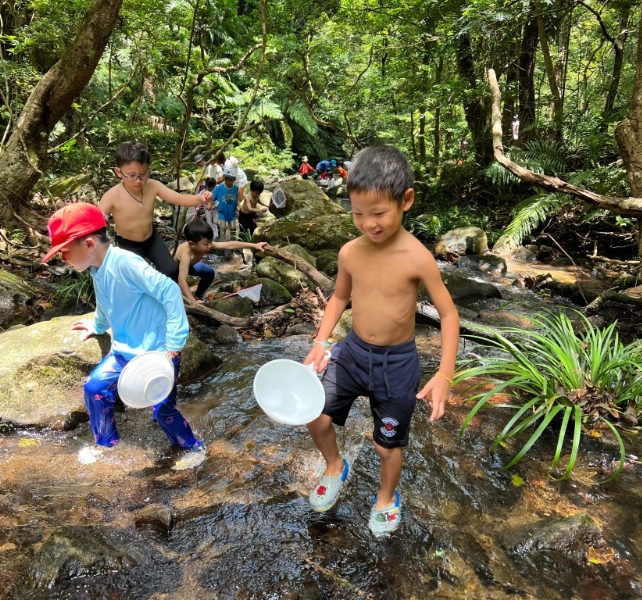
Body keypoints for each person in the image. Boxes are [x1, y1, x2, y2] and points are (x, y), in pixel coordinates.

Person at [302, 145, 460, 537]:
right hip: (352, 352)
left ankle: (386, 497)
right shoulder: (350, 253)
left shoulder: (417, 257)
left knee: (386, 444)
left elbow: (449, 314)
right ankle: (336, 467)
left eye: (378, 214)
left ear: (405, 200)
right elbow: (339, 297)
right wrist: (321, 342)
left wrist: (444, 375)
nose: (367, 223)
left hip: (397, 364)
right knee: (313, 412)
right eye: (357, 213)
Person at [41, 202, 205, 458]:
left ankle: (192, 448)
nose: (63, 258)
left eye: (65, 251)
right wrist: (97, 325)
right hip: (124, 352)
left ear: (88, 244)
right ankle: (106, 445)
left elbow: (170, 290)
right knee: (95, 389)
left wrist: (174, 344)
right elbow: (106, 301)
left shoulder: (126, 263)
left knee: (162, 409)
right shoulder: (96, 268)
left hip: (158, 354)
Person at [98, 141, 212, 282]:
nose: (138, 181)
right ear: (118, 172)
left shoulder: (153, 186)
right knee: (138, 280)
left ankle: (173, 301)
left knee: (171, 271)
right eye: (132, 175)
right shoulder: (112, 195)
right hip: (127, 244)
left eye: (143, 174)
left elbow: (179, 199)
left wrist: (200, 198)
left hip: (152, 239)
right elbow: (96, 221)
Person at [175, 218, 268, 303]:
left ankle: (198, 296)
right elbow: (182, 279)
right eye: (206, 243)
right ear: (192, 244)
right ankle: (191, 300)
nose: (210, 246)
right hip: (173, 269)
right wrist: (192, 302)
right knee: (174, 289)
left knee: (209, 273)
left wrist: (254, 245)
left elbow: (229, 245)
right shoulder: (186, 254)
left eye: (211, 241)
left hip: (190, 266)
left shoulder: (205, 245)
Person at [212, 166, 240, 241]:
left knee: (233, 228)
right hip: (222, 212)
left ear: (234, 180)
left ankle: (233, 244)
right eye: (226, 179)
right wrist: (210, 204)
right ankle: (222, 244)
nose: (228, 181)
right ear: (224, 178)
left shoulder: (236, 188)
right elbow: (212, 196)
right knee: (223, 228)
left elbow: (237, 198)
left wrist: (239, 206)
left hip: (232, 212)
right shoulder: (220, 188)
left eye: (230, 179)